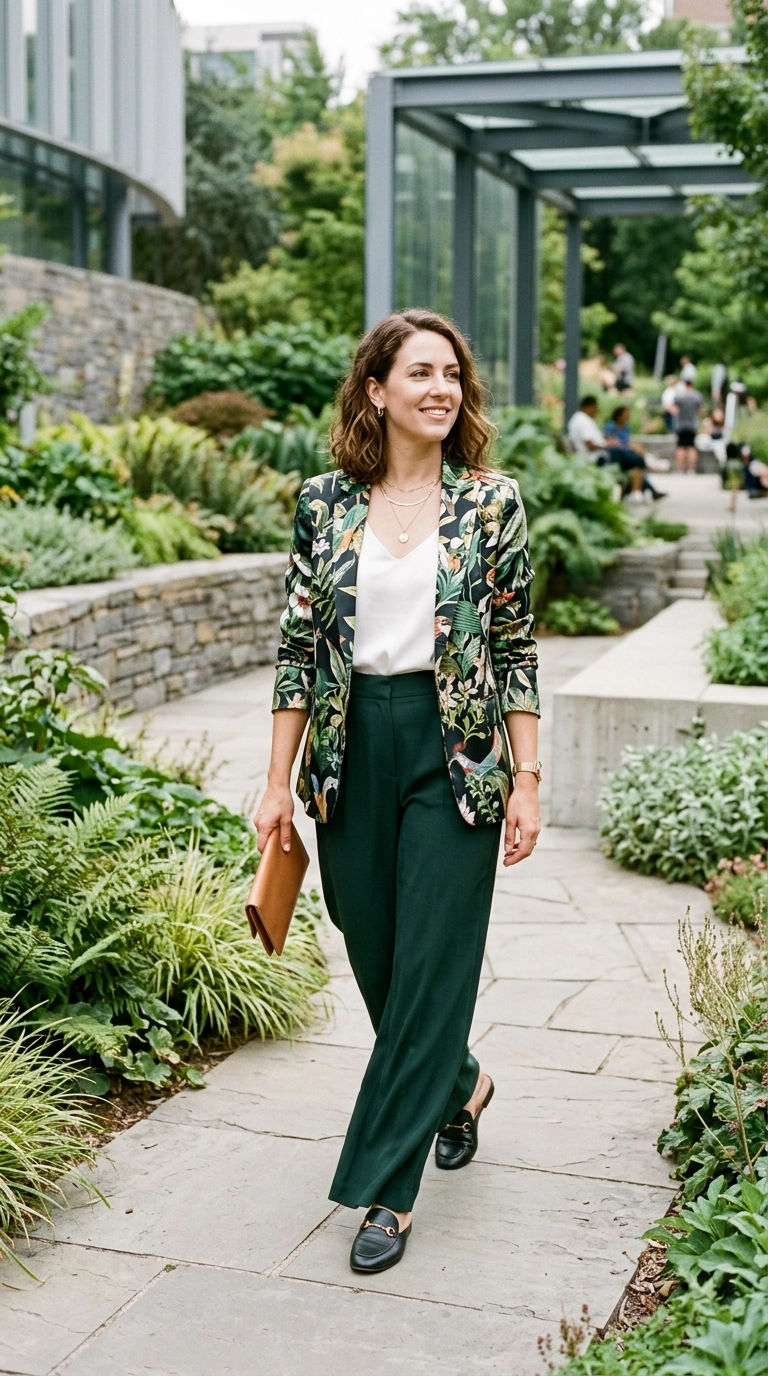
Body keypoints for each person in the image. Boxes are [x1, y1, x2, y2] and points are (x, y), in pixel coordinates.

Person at [256, 308, 541, 1276]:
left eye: (452, 373)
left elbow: (515, 647)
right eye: (420, 371)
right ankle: (461, 1083)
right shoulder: (325, 502)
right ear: (375, 388)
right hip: (348, 749)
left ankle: (388, 1186)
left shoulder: (491, 502)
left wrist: (528, 777)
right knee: (373, 946)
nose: (441, 388)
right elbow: (298, 647)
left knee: (430, 963)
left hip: (455, 751)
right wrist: (274, 782)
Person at [673, 378, 703, 472]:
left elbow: (674, 409)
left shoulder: (679, 396)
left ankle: (680, 469)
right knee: (692, 447)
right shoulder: (697, 396)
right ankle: (691, 469)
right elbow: (701, 411)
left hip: (681, 425)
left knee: (680, 447)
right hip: (692, 425)